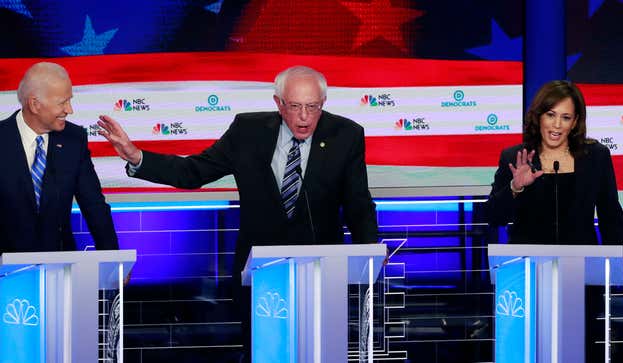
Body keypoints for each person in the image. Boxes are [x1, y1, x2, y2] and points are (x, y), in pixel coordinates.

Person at [97, 65, 378, 362]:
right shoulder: (248, 131)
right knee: (264, 351)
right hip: (259, 274)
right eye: (295, 107)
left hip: (322, 271)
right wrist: (136, 156)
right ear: (278, 103)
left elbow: (357, 203)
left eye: (313, 107)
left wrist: (370, 254)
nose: (305, 117)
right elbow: (193, 172)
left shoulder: (345, 135)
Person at [486, 80, 623, 245]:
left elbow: (611, 218)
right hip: (527, 264)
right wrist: (515, 188)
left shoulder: (595, 156)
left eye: (565, 117)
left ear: (574, 122)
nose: (557, 125)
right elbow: (493, 217)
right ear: (539, 117)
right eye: (550, 115)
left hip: (580, 264)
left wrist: (616, 264)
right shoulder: (515, 157)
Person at [0, 62, 119, 253]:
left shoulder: (74, 139)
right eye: (62, 102)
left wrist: (112, 255)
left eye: (69, 101)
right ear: (35, 104)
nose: (69, 110)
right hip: (6, 271)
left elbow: (94, 204)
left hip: (60, 265)